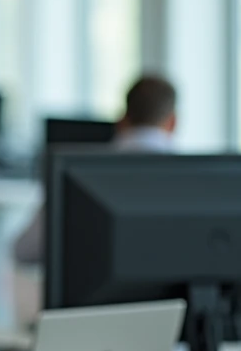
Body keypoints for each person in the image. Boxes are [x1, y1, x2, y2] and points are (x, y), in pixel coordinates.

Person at [14, 74, 178, 265]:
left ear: (121, 121)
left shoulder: (76, 173)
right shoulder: (192, 179)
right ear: (173, 122)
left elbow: (25, 250)